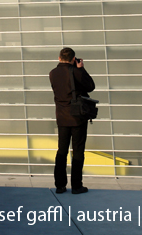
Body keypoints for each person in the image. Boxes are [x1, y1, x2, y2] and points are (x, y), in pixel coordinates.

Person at [49, 47, 95, 195]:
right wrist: (81, 69)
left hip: (62, 118)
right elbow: (91, 86)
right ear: (73, 59)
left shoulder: (52, 73)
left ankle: (60, 186)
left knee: (61, 151)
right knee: (78, 152)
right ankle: (76, 186)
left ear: (59, 58)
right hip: (77, 118)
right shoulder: (76, 72)